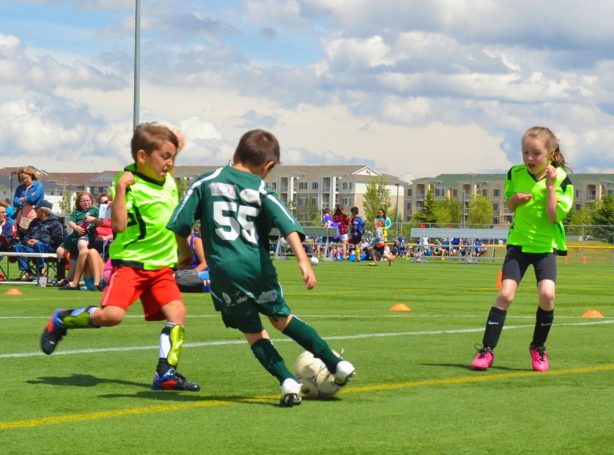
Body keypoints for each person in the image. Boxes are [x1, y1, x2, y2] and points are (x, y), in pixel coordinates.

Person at [167, 129, 355, 407]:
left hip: (225, 272)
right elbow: (288, 224)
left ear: (234, 154)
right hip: (258, 267)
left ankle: (287, 381)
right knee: (282, 318)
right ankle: (335, 363)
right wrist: (303, 261)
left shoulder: (205, 181)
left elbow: (181, 224)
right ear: (268, 166)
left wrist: (185, 256)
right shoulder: (260, 189)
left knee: (254, 332)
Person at [40, 122, 200, 392]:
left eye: (172, 157)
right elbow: (118, 226)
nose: (170, 163)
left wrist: (177, 142)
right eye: (165, 157)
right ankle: (62, 319)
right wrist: (123, 191)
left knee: (177, 311)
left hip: (161, 267)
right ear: (141, 157)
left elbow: (164, 153)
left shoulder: (167, 176)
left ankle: (165, 373)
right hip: (132, 265)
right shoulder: (127, 182)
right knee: (112, 316)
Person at [471, 126, 574, 373]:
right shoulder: (514, 173)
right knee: (505, 295)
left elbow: (552, 217)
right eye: (525, 152)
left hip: (545, 247)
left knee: (548, 296)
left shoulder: (561, 179)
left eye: (536, 153)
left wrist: (549, 187)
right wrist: (515, 199)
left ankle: (538, 347)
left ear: (550, 153)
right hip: (518, 243)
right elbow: (510, 203)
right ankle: (486, 351)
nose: (529, 158)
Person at [12, 200, 64, 281]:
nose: (34, 210)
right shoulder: (34, 222)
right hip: (32, 247)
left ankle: (40, 271)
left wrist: (39, 241)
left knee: (38, 244)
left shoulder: (56, 223)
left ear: (43, 211)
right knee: (17, 246)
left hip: (48, 248)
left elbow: (58, 239)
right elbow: (26, 236)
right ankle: (28, 272)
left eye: (36, 209)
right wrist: (28, 241)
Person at [56, 192, 98, 262]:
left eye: (88, 200)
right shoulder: (76, 211)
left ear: (91, 200)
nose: (86, 202)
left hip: (86, 234)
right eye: (83, 201)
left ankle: (82, 266)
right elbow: (70, 222)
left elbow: (101, 222)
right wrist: (77, 228)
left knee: (82, 245)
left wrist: (93, 220)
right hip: (74, 235)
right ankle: (62, 270)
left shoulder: (95, 210)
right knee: (59, 252)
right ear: (79, 203)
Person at [13, 166, 45, 240]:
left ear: (30, 175)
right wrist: (26, 200)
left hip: (34, 217)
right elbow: (15, 202)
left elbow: (34, 199)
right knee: (22, 240)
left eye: (25, 178)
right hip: (20, 219)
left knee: (32, 238)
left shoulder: (39, 185)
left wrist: (23, 199)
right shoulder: (19, 188)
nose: (24, 180)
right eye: (21, 179)